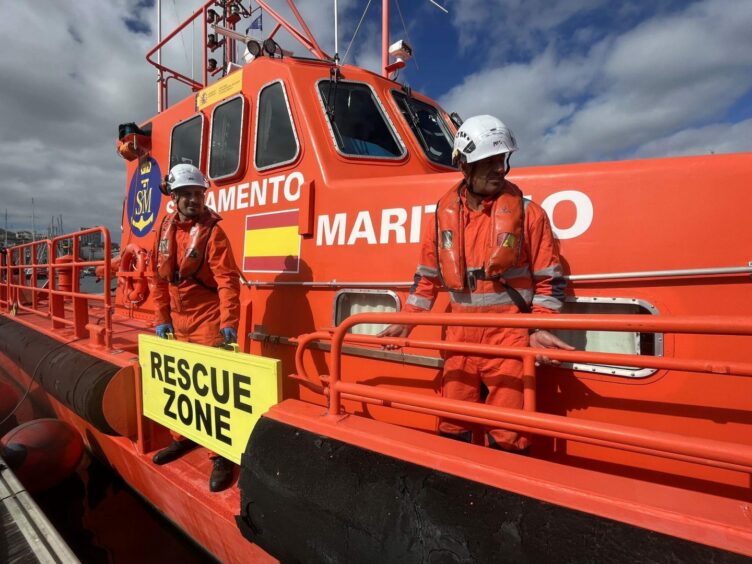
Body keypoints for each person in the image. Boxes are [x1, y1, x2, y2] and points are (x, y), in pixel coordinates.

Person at [380, 115, 573, 452]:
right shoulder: (441, 217)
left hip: (509, 339)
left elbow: (549, 284)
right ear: (464, 166)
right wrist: (406, 322)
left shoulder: (531, 216)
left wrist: (539, 327)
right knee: (453, 425)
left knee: (510, 434)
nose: (500, 168)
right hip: (458, 338)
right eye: (489, 161)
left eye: (503, 160)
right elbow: (426, 280)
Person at [151, 163, 240, 491]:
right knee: (181, 384)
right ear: (174, 197)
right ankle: (183, 436)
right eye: (187, 194)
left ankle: (221, 455)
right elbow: (158, 279)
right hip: (177, 320)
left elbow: (227, 280)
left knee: (213, 388)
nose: (193, 200)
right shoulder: (165, 229)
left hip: (207, 321)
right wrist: (161, 319)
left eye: (198, 194)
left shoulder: (213, 233)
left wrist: (228, 322)